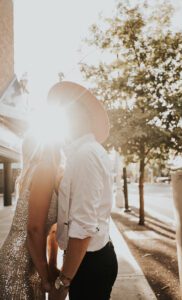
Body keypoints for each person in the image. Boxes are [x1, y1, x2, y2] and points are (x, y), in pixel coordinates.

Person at [48, 81, 118, 300]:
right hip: (88, 260)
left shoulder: (85, 155)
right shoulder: (81, 154)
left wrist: (63, 283)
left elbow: (83, 228)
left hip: (90, 262)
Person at [0, 133, 61, 299]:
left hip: (30, 258)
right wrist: (45, 275)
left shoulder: (39, 170)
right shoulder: (45, 170)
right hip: (20, 260)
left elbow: (50, 230)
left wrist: (51, 265)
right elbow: (34, 228)